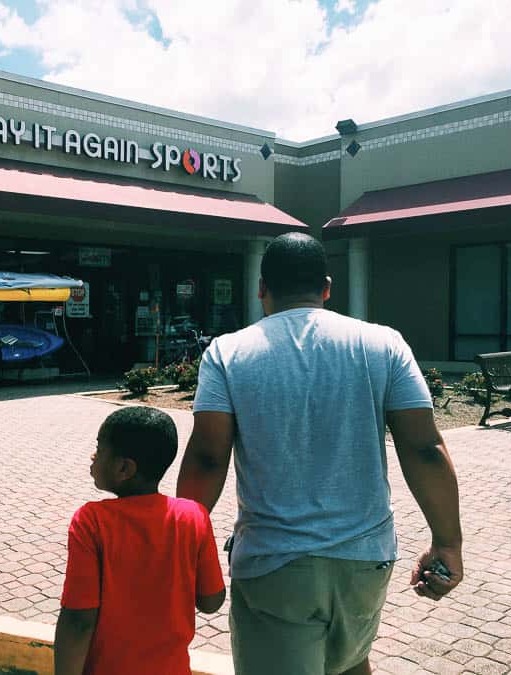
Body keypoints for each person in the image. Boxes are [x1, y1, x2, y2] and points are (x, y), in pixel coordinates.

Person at [176, 233, 463, 675]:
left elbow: (208, 458)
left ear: (261, 288)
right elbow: (423, 448)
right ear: (327, 287)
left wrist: (181, 548)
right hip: (366, 560)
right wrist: (448, 543)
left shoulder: (228, 353)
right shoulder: (382, 344)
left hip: (275, 562)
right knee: (348, 665)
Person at [55, 406, 226, 675]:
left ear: (124, 468)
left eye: (99, 449)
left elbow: (78, 620)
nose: (93, 455)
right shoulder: (193, 517)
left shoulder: (91, 521)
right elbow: (211, 601)